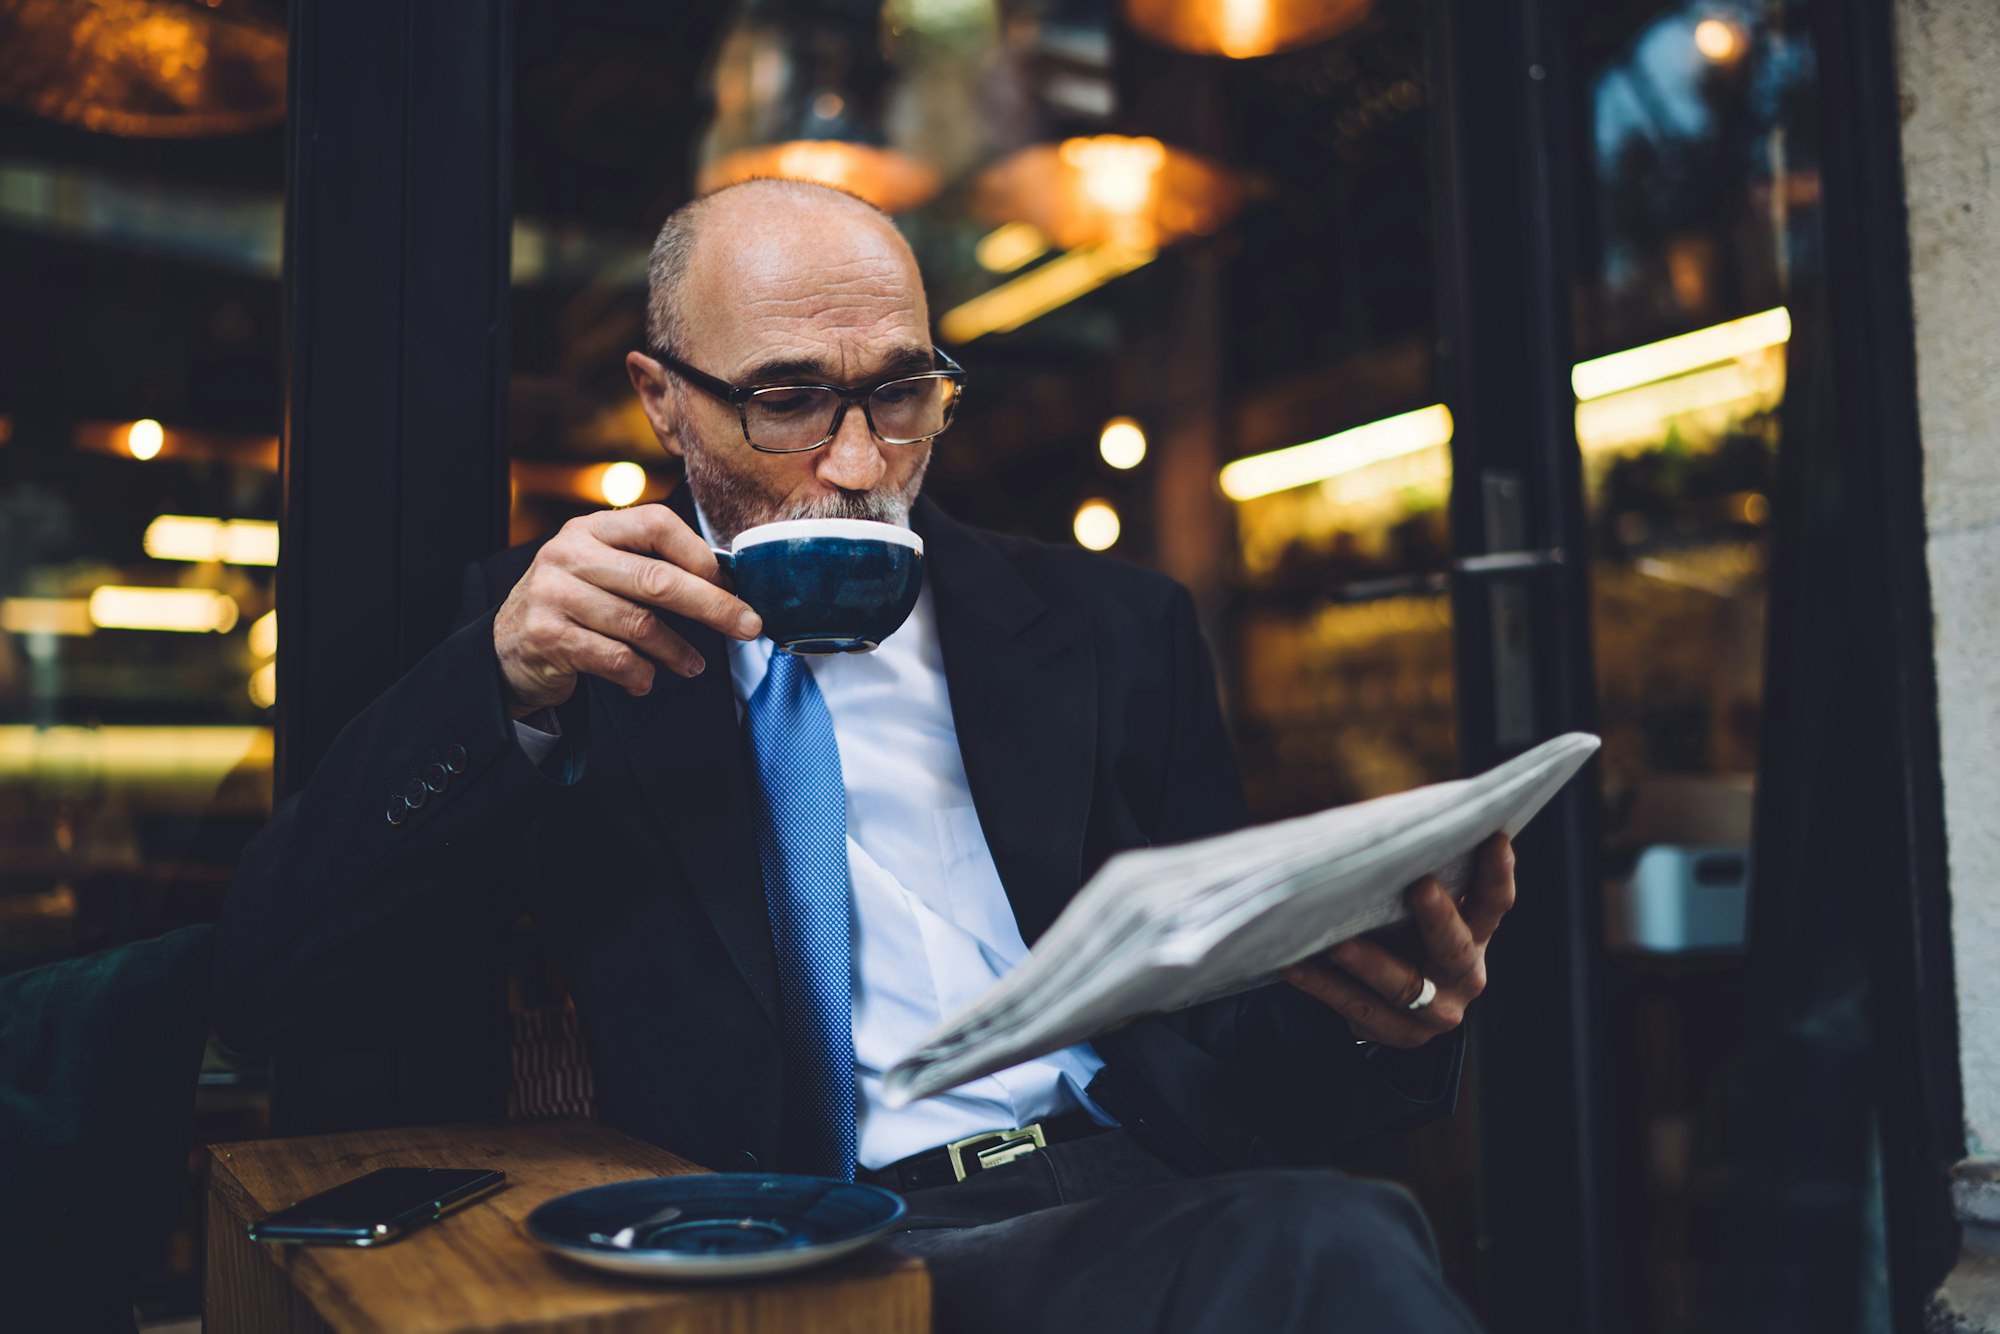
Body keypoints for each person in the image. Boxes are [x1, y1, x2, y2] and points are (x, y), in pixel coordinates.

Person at [213, 179, 1512, 1333]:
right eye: (787, 400)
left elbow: (1226, 1034)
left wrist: (1384, 1012)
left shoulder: (1115, 628)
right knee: (1328, 1242)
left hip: (1131, 1195)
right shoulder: (564, 631)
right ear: (663, 398)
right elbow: (274, 978)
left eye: (900, 391)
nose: (857, 459)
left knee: (1328, 1231)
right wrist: (499, 688)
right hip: (799, 1244)